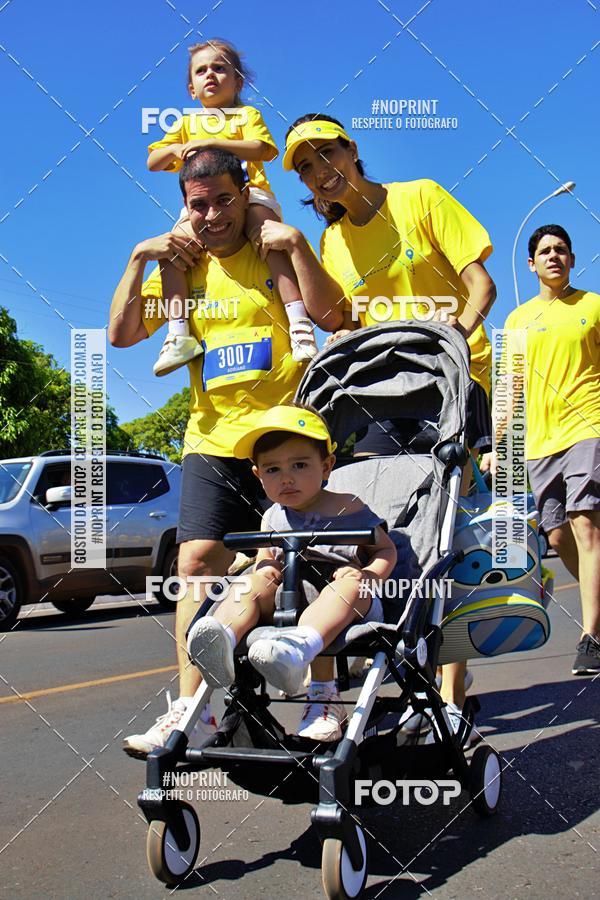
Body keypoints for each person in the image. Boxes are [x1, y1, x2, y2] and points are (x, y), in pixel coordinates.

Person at [255, 114, 497, 743]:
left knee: (450, 533)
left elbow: (481, 285)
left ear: (352, 150)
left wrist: (452, 341)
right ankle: (358, 675)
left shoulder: (421, 196)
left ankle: (450, 694)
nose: (318, 170)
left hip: (451, 386)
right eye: (304, 166)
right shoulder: (333, 240)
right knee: (401, 523)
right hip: (384, 400)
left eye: (325, 153)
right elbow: (342, 319)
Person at [108, 149, 343, 757]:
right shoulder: (183, 266)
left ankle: (323, 700)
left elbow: (337, 315)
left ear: (245, 195)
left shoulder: (271, 249)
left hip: (286, 438)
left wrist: (297, 245)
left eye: (223, 200)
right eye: (197, 204)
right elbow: (122, 334)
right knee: (194, 567)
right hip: (212, 438)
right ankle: (196, 710)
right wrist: (138, 258)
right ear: (185, 207)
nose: (212, 215)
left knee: (307, 563)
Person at [186, 404, 397, 741]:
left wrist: (371, 574)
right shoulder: (272, 518)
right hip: (289, 599)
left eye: (299, 465)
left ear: (327, 466)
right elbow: (265, 561)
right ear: (257, 475)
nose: (286, 478)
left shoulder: (349, 507)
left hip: (347, 604)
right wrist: (267, 572)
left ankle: (317, 683)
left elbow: (385, 549)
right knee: (253, 581)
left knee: (346, 580)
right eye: (272, 469)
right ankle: (221, 638)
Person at [147, 38, 317, 375]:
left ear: (237, 81)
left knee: (270, 240)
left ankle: (299, 323)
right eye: (201, 70)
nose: (210, 74)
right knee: (173, 249)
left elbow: (264, 148)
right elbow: (153, 160)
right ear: (191, 88)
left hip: (252, 195)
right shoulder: (184, 123)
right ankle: (178, 332)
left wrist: (211, 142)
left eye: (220, 68)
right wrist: (175, 152)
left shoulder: (246, 115)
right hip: (206, 205)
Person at [499, 225, 600, 675]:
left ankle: (591, 635)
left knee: (585, 524)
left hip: (588, 427)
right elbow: (510, 386)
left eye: (561, 249)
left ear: (572, 260)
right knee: (557, 535)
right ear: (530, 263)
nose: (553, 256)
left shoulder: (593, 306)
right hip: (540, 441)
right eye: (545, 251)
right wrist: (497, 443)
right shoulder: (518, 319)